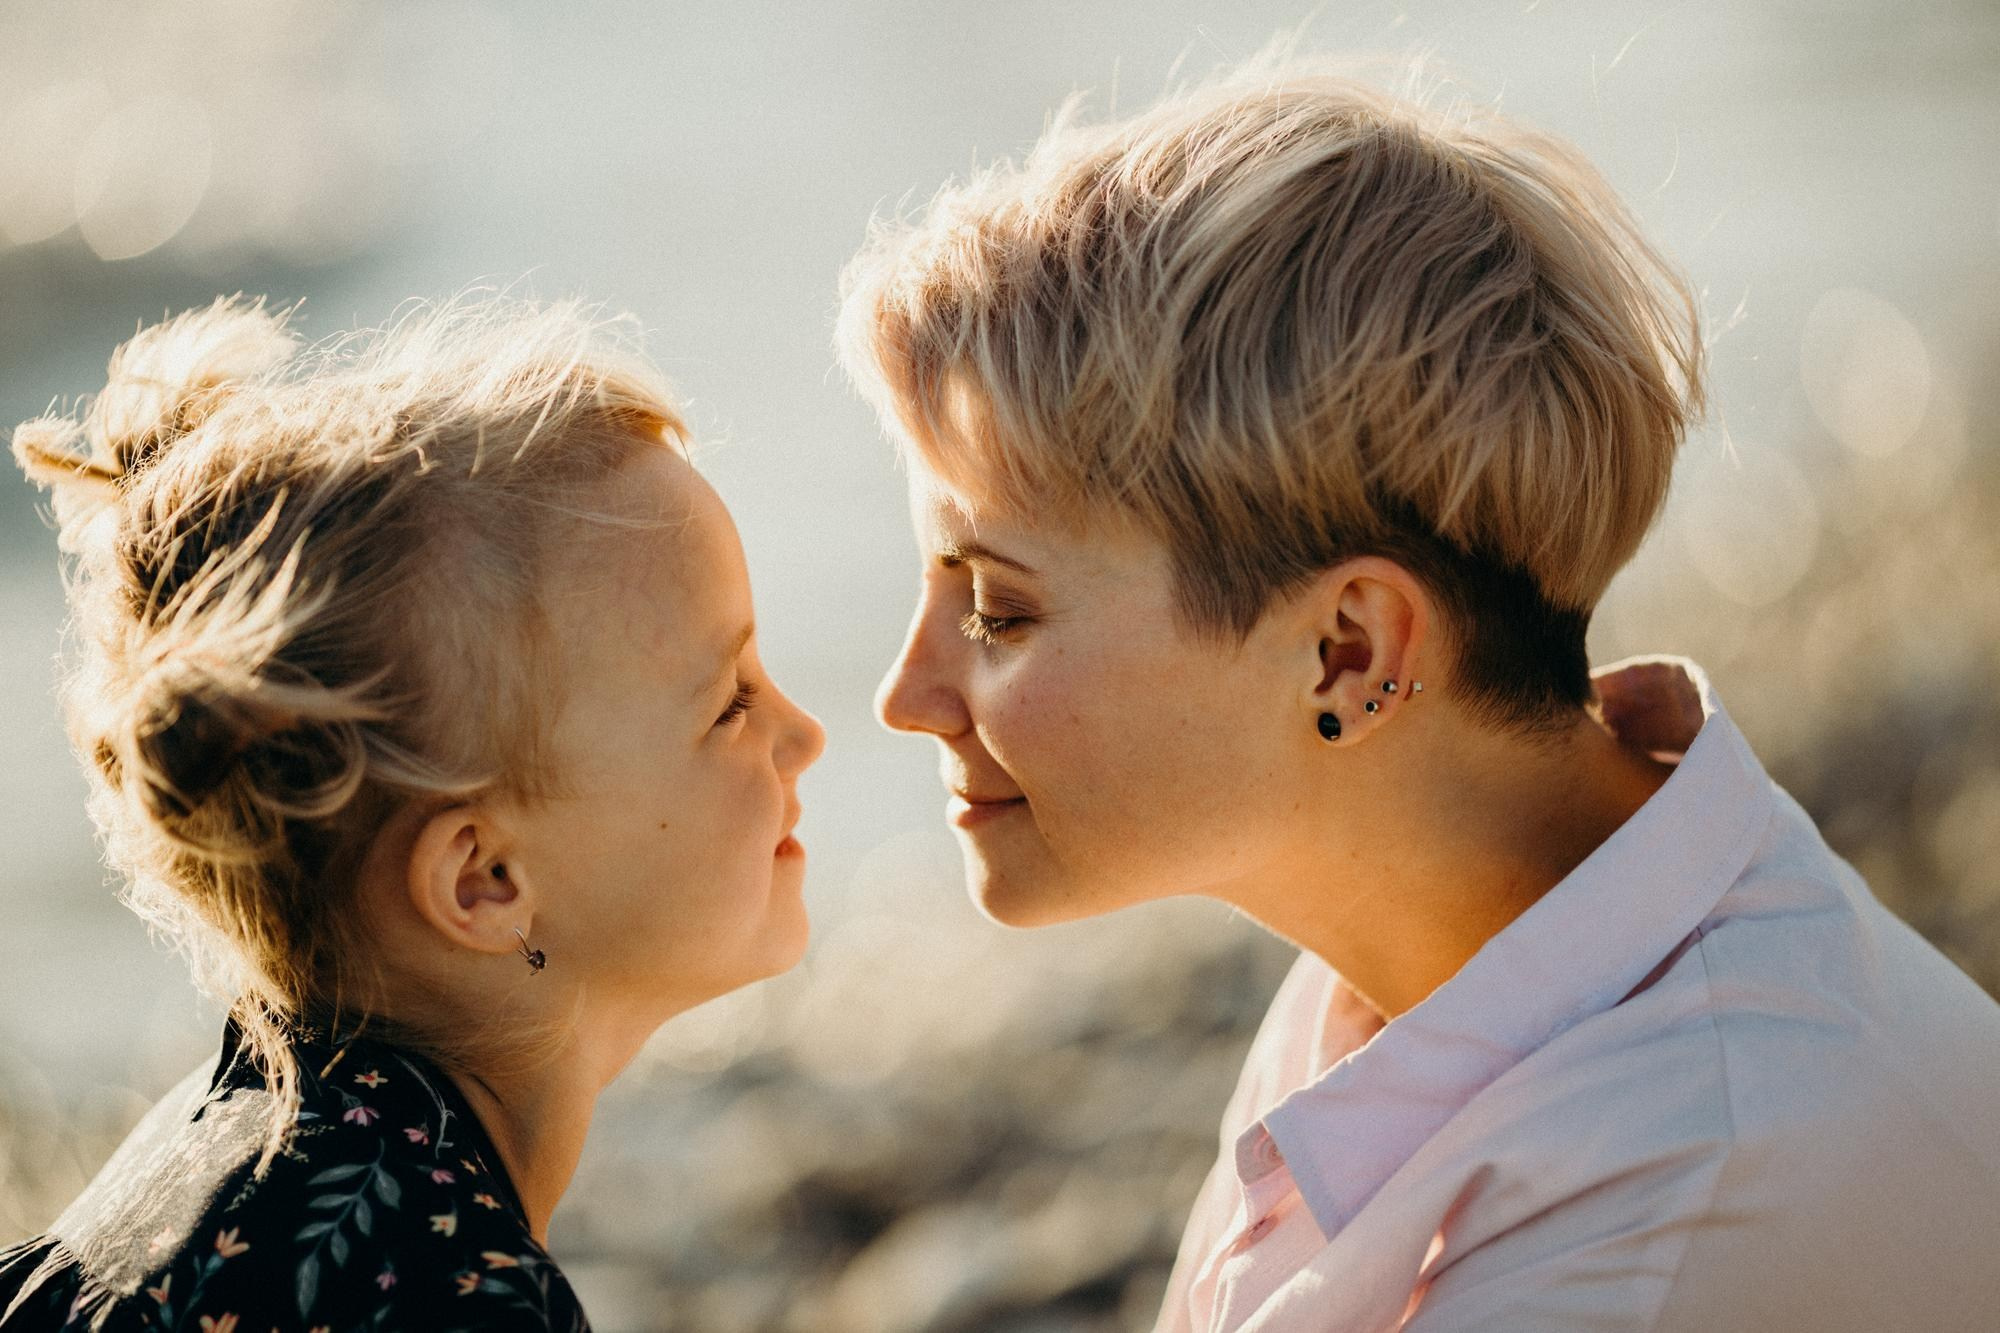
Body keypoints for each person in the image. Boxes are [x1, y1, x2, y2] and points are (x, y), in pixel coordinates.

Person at [837, 59, 2000, 1331]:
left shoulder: (1650, 1230)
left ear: (1346, 653)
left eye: (998, 609)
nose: (906, 694)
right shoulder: (1436, 966)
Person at [0, 296, 824, 1330]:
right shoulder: (454, 1299)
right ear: (483, 880)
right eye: (728, 703)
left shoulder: (218, 1152)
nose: (803, 734)